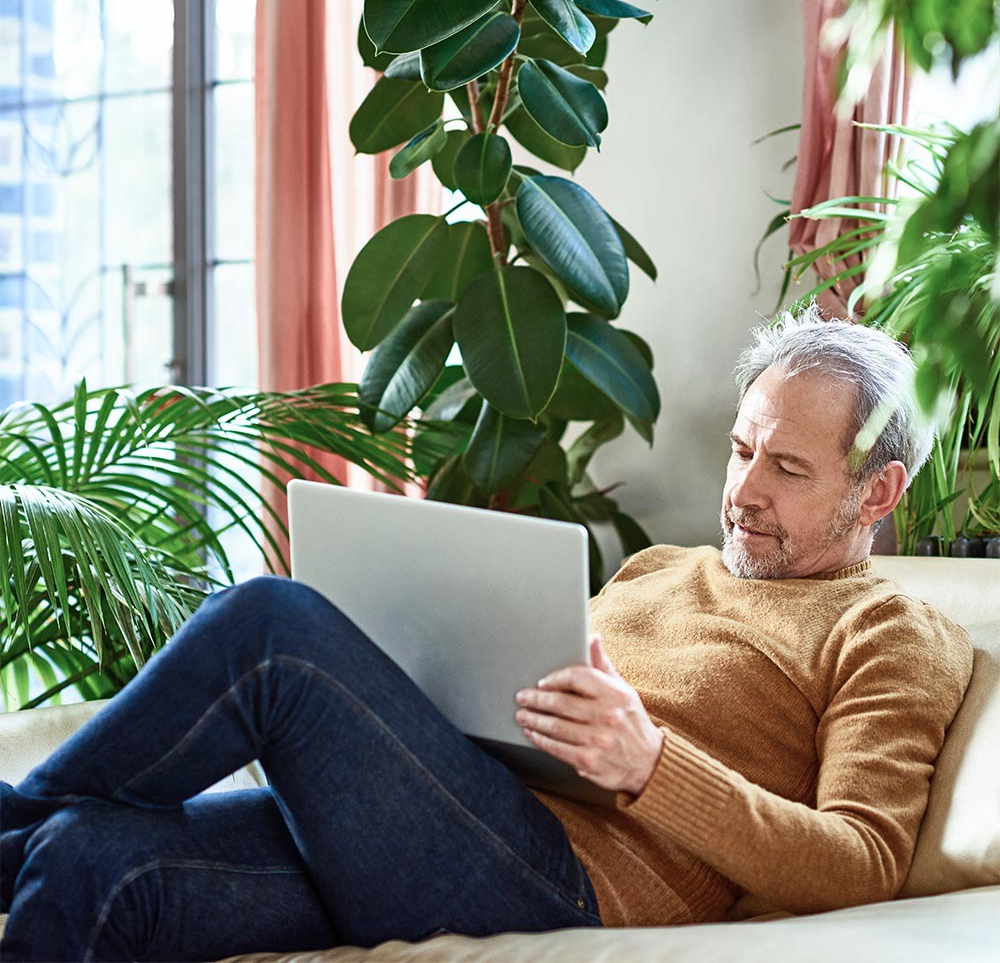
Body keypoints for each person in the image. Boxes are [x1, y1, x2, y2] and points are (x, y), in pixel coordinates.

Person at [0, 306, 973, 961]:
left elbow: (860, 861)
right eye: (740, 449)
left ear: (875, 490)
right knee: (91, 856)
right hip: (446, 821)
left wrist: (649, 763)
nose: (743, 490)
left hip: (564, 879)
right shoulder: (659, 569)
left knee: (271, 623)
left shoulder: (889, 631)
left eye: (789, 470)